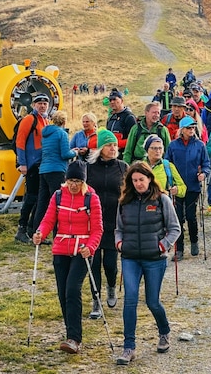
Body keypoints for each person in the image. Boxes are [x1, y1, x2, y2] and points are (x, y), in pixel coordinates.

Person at [114, 161, 181, 365]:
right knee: (130, 300)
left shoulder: (162, 200)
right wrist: (119, 243)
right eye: (134, 180)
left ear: (149, 178)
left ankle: (164, 332)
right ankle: (129, 347)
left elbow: (175, 228)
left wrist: (163, 246)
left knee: (152, 301)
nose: (138, 184)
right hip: (130, 257)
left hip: (155, 259)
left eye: (141, 180)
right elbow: (118, 228)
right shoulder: (124, 201)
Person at [33, 161, 103, 355]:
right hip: (61, 248)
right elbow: (48, 220)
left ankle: (75, 338)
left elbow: (98, 229)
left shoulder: (92, 199)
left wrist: (91, 247)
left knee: (72, 289)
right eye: (71, 180)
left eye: (78, 181)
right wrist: (40, 233)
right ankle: (69, 332)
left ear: (84, 182)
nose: (74, 185)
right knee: (63, 292)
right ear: (65, 180)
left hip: (82, 250)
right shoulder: (57, 196)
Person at [85, 128, 128, 315]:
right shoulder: (88, 168)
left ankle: (111, 287)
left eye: (115, 145)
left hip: (113, 222)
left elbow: (128, 193)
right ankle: (96, 300)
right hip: (92, 223)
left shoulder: (122, 167)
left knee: (110, 263)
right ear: (100, 147)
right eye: (109, 145)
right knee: (93, 264)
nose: (113, 148)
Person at [164, 115, 211, 260]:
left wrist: (203, 173)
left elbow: (206, 164)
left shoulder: (199, 145)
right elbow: (166, 164)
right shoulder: (173, 145)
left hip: (193, 186)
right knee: (177, 218)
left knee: (191, 216)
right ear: (182, 130)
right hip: (177, 187)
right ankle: (179, 250)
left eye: (193, 127)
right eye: (188, 127)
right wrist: (169, 180)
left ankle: (194, 240)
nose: (191, 130)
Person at [15, 93, 51, 244]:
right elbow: (20, 141)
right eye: (39, 103)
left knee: (40, 199)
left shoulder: (46, 121)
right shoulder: (29, 119)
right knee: (30, 198)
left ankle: (33, 230)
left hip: (43, 164)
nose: (42, 105)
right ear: (33, 105)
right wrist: (22, 163)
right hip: (31, 165)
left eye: (45, 103)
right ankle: (21, 230)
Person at [34, 110, 77, 234]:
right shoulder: (61, 134)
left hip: (43, 170)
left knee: (42, 202)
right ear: (64, 121)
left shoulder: (46, 134)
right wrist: (75, 152)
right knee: (58, 202)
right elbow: (65, 154)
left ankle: (38, 231)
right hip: (57, 170)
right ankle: (58, 232)